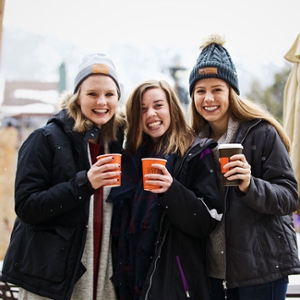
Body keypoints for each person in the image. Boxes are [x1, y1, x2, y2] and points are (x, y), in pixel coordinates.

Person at [0, 53, 126, 300]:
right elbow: (27, 207)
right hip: (50, 281)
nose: (102, 101)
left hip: (104, 279)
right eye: (92, 93)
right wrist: (85, 183)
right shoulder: (45, 139)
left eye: (109, 94)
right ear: (78, 97)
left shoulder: (120, 144)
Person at [188, 33, 300, 300]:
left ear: (231, 92)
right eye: (200, 91)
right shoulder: (193, 143)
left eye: (217, 89)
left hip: (261, 271)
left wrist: (250, 184)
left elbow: (289, 197)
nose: (208, 98)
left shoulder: (262, 133)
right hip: (212, 273)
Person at [107, 79, 224, 299]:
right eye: (142, 109)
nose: (151, 114)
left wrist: (171, 190)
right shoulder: (130, 160)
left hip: (175, 283)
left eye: (158, 105)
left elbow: (207, 220)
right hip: (131, 279)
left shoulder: (196, 153)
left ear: (172, 108)